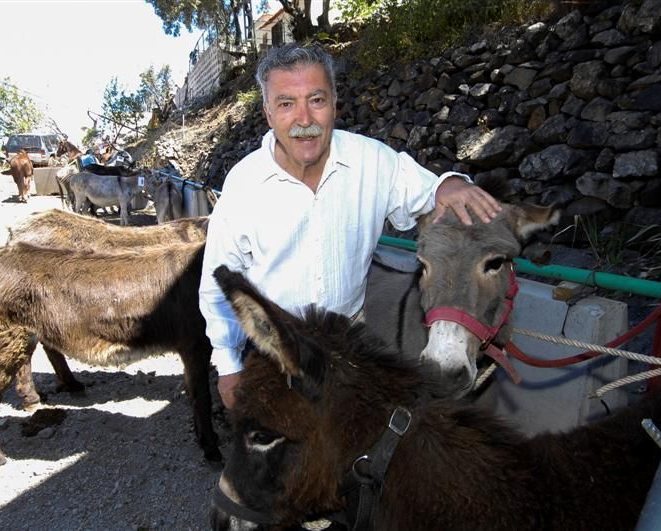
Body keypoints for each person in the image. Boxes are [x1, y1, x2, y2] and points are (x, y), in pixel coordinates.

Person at [198, 44, 502, 409]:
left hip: (349, 346)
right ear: (267, 114)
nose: (304, 118)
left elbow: (431, 191)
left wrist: (449, 183)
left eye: (316, 99)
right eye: (285, 103)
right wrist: (229, 367)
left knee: (353, 456)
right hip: (272, 350)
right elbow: (217, 284)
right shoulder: (244, 184)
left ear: (335, 104)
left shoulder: (372, 161)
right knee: (277, 460)